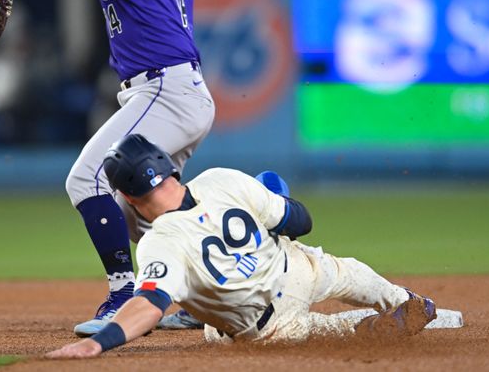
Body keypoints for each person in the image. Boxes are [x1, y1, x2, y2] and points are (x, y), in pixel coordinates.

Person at [0, 0, 215, 335]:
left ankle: (122, 295)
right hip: (181, 91)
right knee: (145, 206)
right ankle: (211, 296)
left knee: (85, 180)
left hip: (164, 91)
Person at [46, 134, 438, 358]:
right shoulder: (221, 180)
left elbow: (148, 306)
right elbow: (300, 220)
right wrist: (269, 199)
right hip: (298, 268)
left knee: (330, 333)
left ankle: (372, 328)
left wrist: (99, 343)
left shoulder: (158, 244)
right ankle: (404, 298)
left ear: (128, 198)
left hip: (268, 327)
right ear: (169, 166)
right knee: (344, 270)